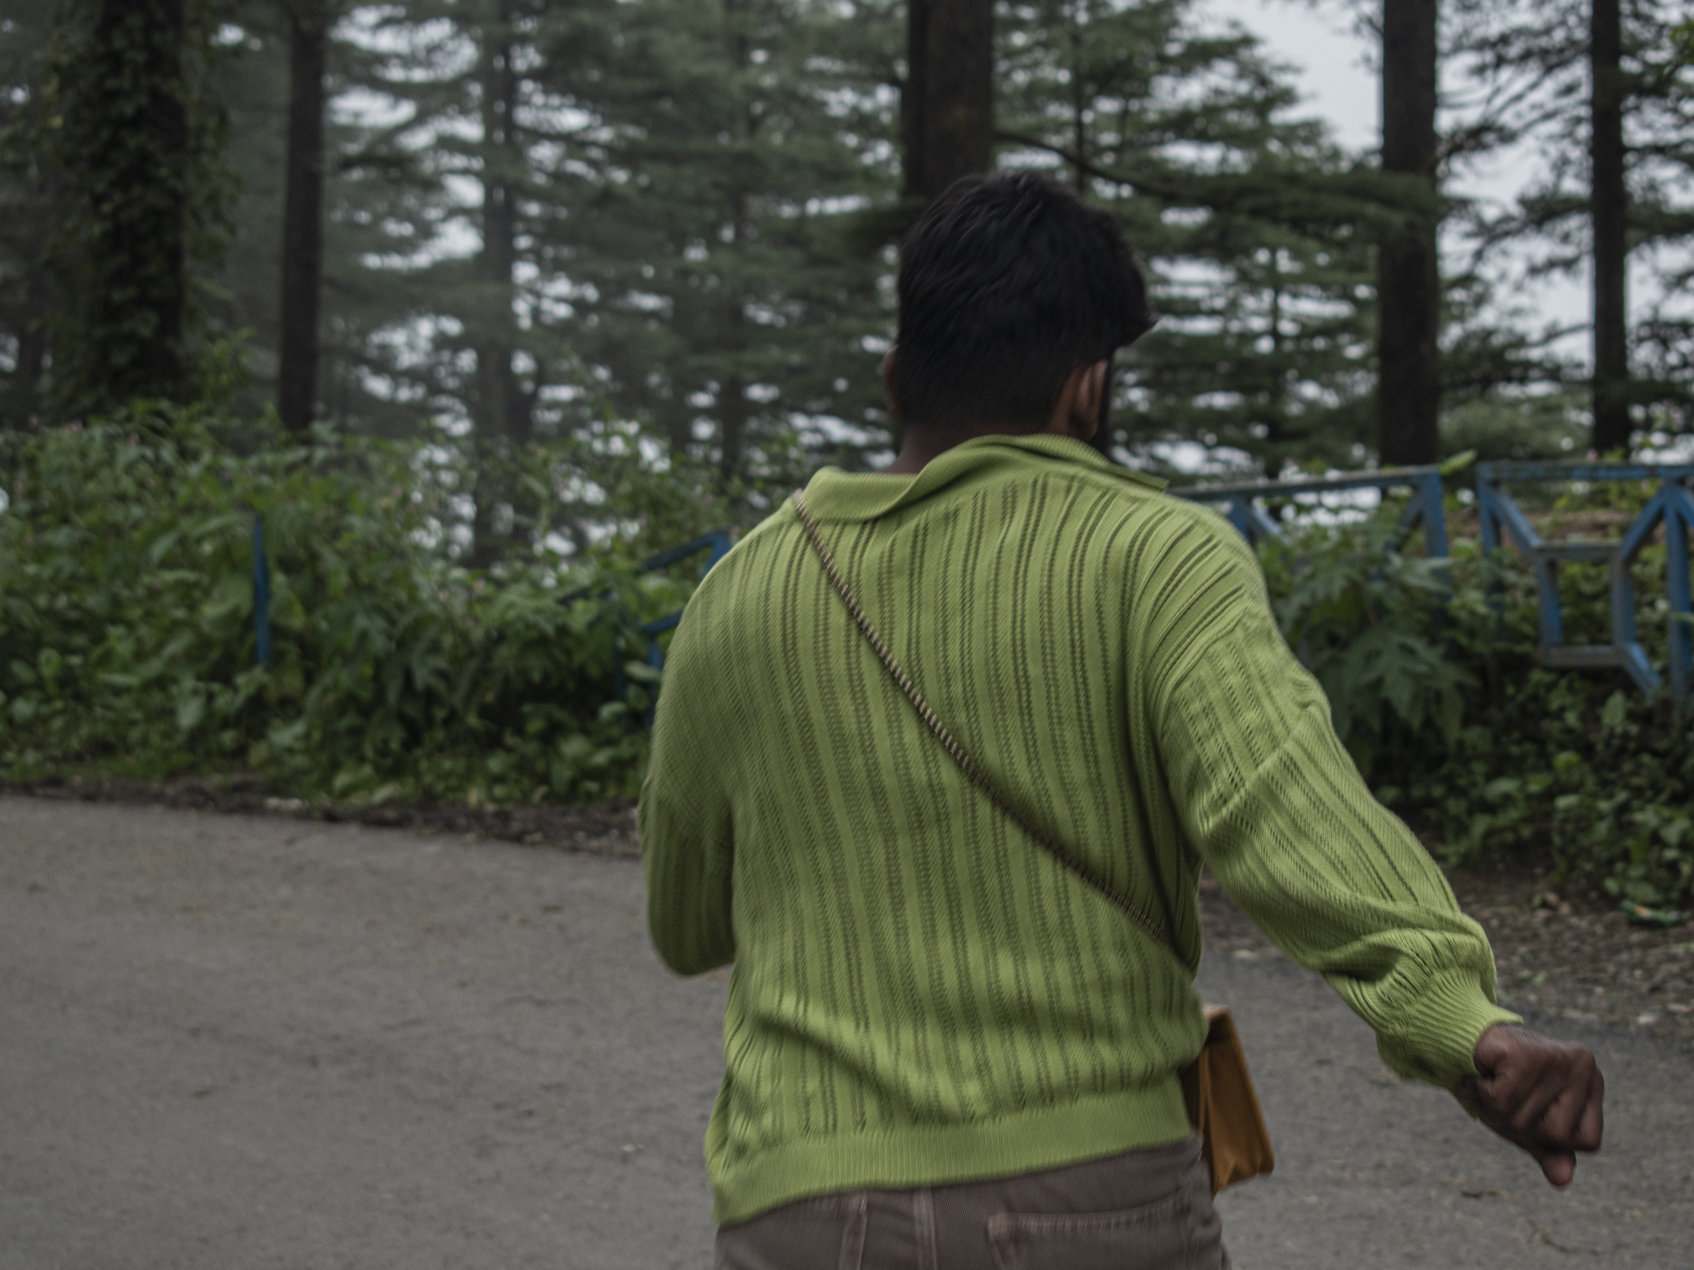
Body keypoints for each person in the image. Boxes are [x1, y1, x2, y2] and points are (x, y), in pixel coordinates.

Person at [640, 172, 1604, 1269]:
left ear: (895, 378)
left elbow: (685, 924)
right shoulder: (1159, 556)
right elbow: (1286, 816)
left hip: (798, 1207)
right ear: (1088, 388)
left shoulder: (738, 593)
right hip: (1090, 1199)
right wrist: (1461, 1020)